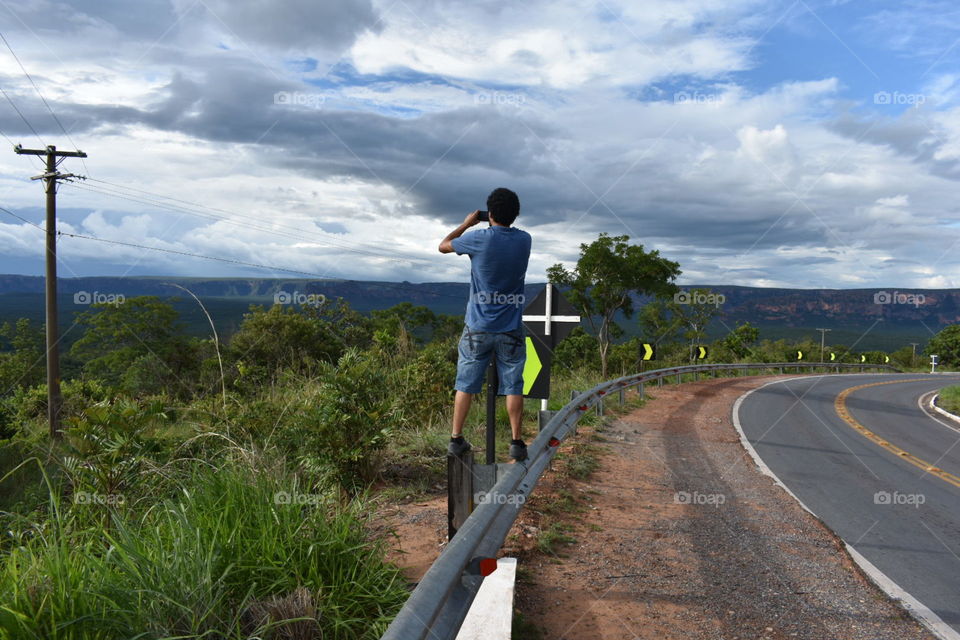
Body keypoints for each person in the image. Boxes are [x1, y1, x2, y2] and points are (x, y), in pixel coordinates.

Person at [438, 187, 532, 461]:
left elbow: (443, 246)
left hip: (478, 326)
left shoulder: (478, 239)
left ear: (489, 213)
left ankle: (456, 439)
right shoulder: (525, 240)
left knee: (465, 382)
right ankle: (516, 441)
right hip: (510, 327)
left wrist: (467, 223)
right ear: (515, 214)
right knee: (513, 384)